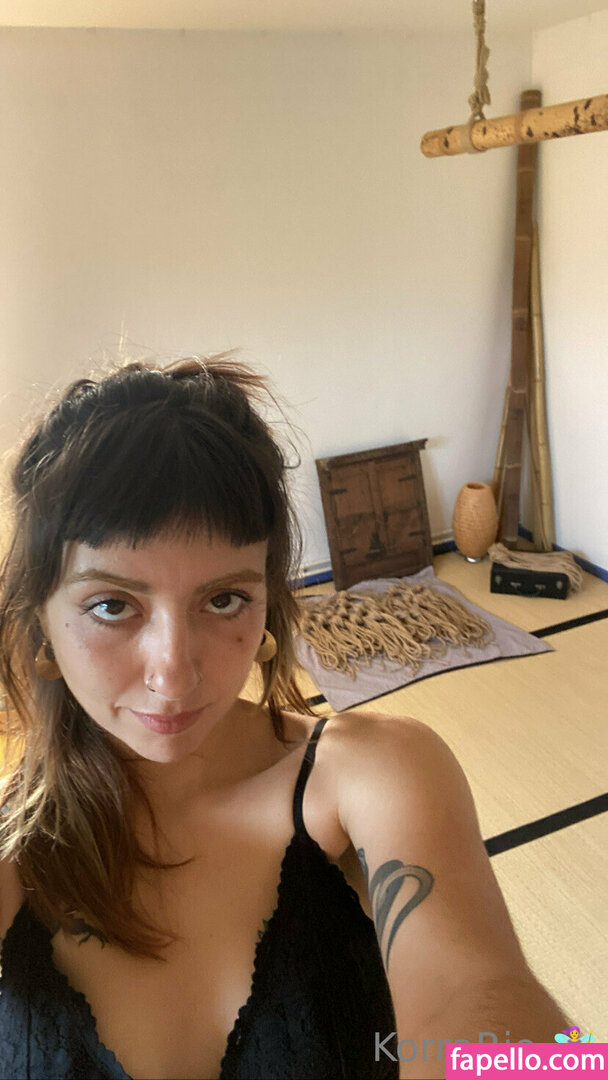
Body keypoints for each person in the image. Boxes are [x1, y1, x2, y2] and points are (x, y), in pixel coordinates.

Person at [0, 354, 566, 1080]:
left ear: (267, 605)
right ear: (41, 625)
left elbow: (480, 991)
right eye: (112, 605)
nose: (173, 672)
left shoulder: (376, 773)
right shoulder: (17, 845)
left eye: (224, 599)